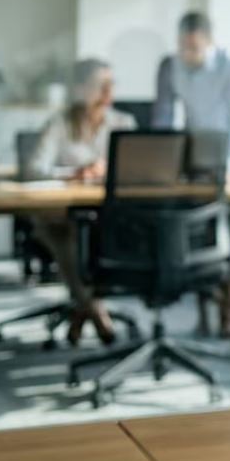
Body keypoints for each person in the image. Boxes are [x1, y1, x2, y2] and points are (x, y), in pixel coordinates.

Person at [27, 58, 137, 344]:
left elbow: (136, 171)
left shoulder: (123, 123)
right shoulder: (60, 124)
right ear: (80, 89)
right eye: (101, 85)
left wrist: (106, 172)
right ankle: (96, 310)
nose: (108, 92)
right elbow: (34, 169)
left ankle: (83, 307)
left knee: (90, 237)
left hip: (108, 216)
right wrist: (73, 174)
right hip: (62, 214)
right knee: (67, 235)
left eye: (111, 85)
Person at [151, 11, 230, 175]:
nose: (186, 54)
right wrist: (161, 161)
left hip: (229, 151)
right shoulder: (171, 65)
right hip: (193, 151)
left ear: (209, 41)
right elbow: (163, 116)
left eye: (194, 48)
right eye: (182, 47)